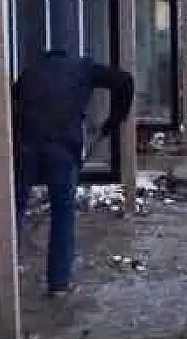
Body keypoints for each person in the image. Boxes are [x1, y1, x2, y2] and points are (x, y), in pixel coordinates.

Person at [12, 48, 134, 294]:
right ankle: (58, 284)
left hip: (26, 146)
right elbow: (124, 80)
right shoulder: (83, 68)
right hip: (63, 147)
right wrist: (114, 120)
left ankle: (6, 272)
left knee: (14, 209)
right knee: (63, 215)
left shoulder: (29, 73)